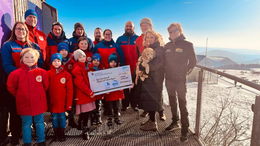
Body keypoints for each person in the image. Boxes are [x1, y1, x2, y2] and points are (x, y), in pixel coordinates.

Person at [1, 22, 44, 145]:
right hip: (17, 84)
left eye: (23, 29)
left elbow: (40, 64)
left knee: (36, 110)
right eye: (18, 29)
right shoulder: (7, 45)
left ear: (27, 31)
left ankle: (38, 135)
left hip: (34, 85)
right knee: (16, 111)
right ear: (14, 31)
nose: (21, 31)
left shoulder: (34, 46)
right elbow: (6, 65)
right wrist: (22, 77)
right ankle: (15, 137)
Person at [7, 48, 49, 146]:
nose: (29, 59)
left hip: (38, 102)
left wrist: (39, 94)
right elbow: (10, 86)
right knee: (26, 124)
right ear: (22, 59)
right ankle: (27, 142)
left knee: (39, 123)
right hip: (24, 103)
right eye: (26, 57)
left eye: (32, 57)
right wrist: (19, 95)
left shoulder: (42, 72)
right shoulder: (15, 73)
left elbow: (46, 86)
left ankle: (41, 141)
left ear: (36, 59)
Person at [164, 23, 196, 142]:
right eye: (170, 32)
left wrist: (184, 72)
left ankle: (185, 130)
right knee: (172, 102)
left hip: (180, 81)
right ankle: (174, 122)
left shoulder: (188, 45)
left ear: (180, 31)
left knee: (182, 104)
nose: (172, 33)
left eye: (174, 31)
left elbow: (193, 61)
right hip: (169, 79)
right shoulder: (166, 46)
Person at [138, 30, 165, 132]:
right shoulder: (151, 48)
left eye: (151, 37)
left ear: (156, 38)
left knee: (152, 98)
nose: (149, 39)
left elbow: (160, 63)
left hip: (155, 78)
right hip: (150, 77)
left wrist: (148, 67)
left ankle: (153, 123)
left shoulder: (159, 49)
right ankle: (151, 120)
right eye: (147, 37)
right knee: (150, 98)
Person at [47, 53, 73, 142]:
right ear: (51, 62)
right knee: (54, 119)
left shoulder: (66, 75)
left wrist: (69, 104)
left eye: (58, 61)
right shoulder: (48, 74)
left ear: (61, 62)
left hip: (63, 103)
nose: (56, 63)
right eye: (54, 61)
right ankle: (56, 134)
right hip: (53, 103)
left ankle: (62, 134)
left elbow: (70, 91)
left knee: (62, 119)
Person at [72, 49, 95, 140]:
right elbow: (80, 83)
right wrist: (89, 92)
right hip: (84, 95)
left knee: (85, 113)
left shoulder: (85, 67)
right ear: (77, 58)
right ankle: (85, 131)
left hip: (86, 94)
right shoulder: (77, 69)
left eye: (84, 56)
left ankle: (81, 126)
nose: (82, 58)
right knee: (85, 113)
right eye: (80, 56)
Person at [116, 21, 139, 111]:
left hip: (135, 67)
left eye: (130, 26)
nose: (128, 27)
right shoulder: (120, 39)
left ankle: (134, 104)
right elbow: (116, 52)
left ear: (133, 28)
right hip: (123, 67)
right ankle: (125, 104)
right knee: (125, 87)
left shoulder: (137, 38)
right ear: (124, 27)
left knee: (135, 87)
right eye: (127, 26)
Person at [105, 53, 124, 127]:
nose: (113, 63)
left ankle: (117, 118)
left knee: (116, 106)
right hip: (109, 93)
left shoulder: (119, 71)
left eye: (114, 62)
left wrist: (123, 86)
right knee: (109, 107)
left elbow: (123, 80)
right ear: (109, 63)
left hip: (117, 92)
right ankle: (109, 118)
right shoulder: (105, 72)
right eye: (111, 62)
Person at [88, 53, 103, 125]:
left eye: (98, 60)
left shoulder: (101, 69)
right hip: (92, 92)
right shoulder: (88, 69)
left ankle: (98, 118)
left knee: (98, 106)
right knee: (92, 107)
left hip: (99, 92)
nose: (96, 62)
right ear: (92, 61)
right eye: (94, 60)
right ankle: (93, 119)